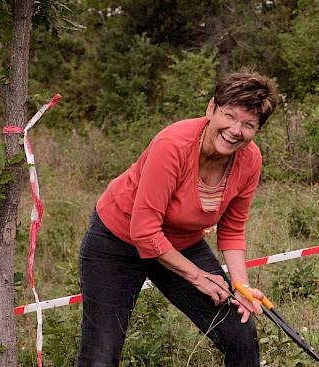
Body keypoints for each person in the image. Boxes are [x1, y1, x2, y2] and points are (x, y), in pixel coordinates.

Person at [77, 69, 279, 367]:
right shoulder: (173, 144)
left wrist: (240, 285)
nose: (236, 130)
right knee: (102, 355)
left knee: (240, 330)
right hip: (118, 241)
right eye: (229, 116)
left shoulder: (250, 159)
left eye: (248, 124)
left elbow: (233, 229)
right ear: (211, 108)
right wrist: (198, 277)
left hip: (181, 243)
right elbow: (144, 231)